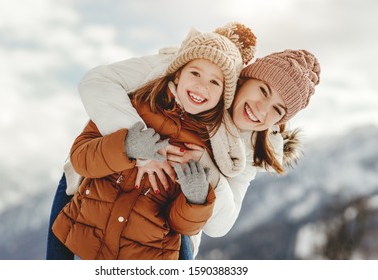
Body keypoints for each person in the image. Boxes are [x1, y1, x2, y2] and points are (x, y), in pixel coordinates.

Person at [51, 22, 256, 260]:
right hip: (86, 244)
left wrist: (196, 199)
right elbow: (81, 159)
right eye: (195, 73)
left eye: (215, 82)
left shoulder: (205, 149)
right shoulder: (135, 104)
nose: (202, 85)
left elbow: (184, 228)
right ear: (178, 74)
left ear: (223, 96)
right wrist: (126, 146)